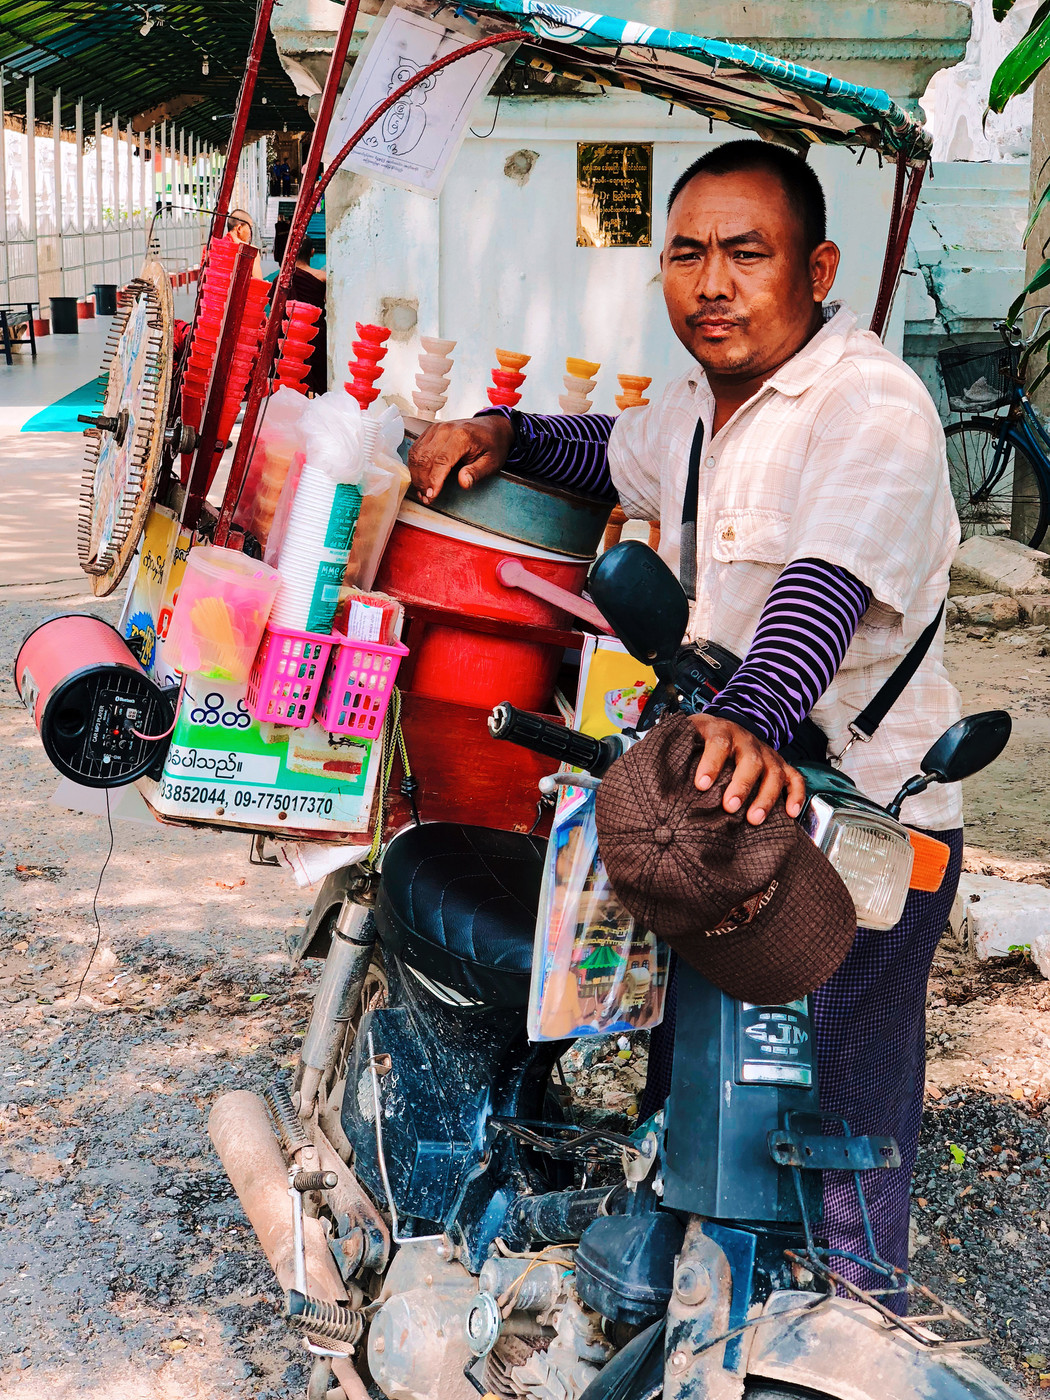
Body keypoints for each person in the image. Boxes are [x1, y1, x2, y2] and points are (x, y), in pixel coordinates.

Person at [408, 139, 963, 1307]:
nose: (711, 282)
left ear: (820, 269)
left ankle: (856, 1329)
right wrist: (503, 430)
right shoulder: (700, 412)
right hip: (725, 809)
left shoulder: (870, 406)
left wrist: (756, 713)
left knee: (839, 1125)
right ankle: (689, 1302)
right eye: (687, 254)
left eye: (747, 253)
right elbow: (604, 448)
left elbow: (826, 581)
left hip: (856, 827)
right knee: (703, 1083)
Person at [288, 236, 327, 395]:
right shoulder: (322, 277)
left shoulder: (282, 278)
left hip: (290, 336)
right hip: (316, 334)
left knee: (291, 379)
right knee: (318, 381)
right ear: (312, 253)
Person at [225, 209, 262, 279]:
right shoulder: (251, 251)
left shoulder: (213, 247)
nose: (250, 233)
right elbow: (258, 283)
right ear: (239, 228)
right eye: (249, 228)